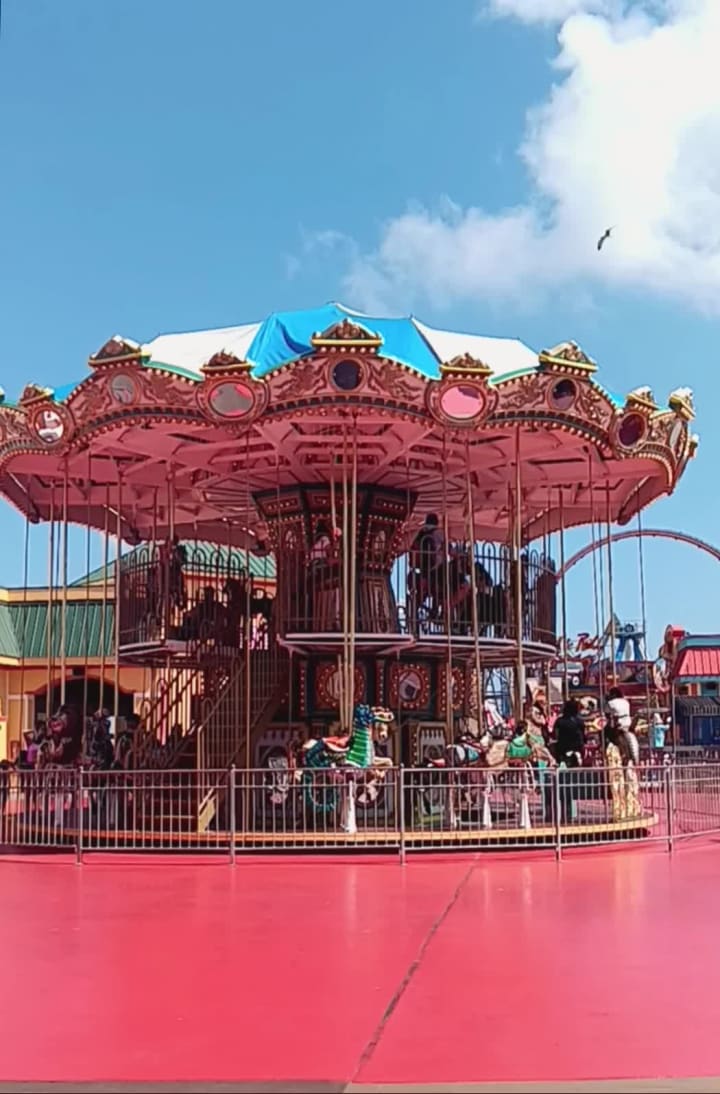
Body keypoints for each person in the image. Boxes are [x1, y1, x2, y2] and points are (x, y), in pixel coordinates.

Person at [410, 513, 444, 619]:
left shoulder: (421, 532)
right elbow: (446, 546)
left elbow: (413, 547)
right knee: (440, 586)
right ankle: (436, 610)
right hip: (435, 566)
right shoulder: (438, 533)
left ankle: (414, 609)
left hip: (423, 566)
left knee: (424, 588)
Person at [606, 723, 642, 820]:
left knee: (628, 787)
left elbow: (633, 751)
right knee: (628, 787)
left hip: (627, 765)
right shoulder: (626, 738)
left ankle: (629, 810)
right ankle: (629, 810)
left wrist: (633, 760)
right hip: (627, 765)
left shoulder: (624, 739)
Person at [605, 686, 639, 763]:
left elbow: (607, 714)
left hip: (619, 724)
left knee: (604, 732)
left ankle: (605, 747)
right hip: (628, 723)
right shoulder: (626, 702)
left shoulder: (610, 703)